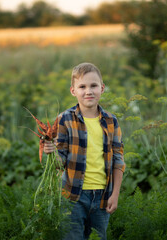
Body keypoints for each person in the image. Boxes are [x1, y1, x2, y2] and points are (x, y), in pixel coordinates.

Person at [44, 62, 125, 240]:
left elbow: (118, 160)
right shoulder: (64, 119)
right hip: (72, 196)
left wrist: (115, 193)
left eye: (93, 86)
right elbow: (60, 163)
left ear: (102, 88)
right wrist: (51, 152)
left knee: (98, 237)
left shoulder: (112, 121)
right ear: (73, 91)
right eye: (82, 86)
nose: (89, 91)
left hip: (103, 196)